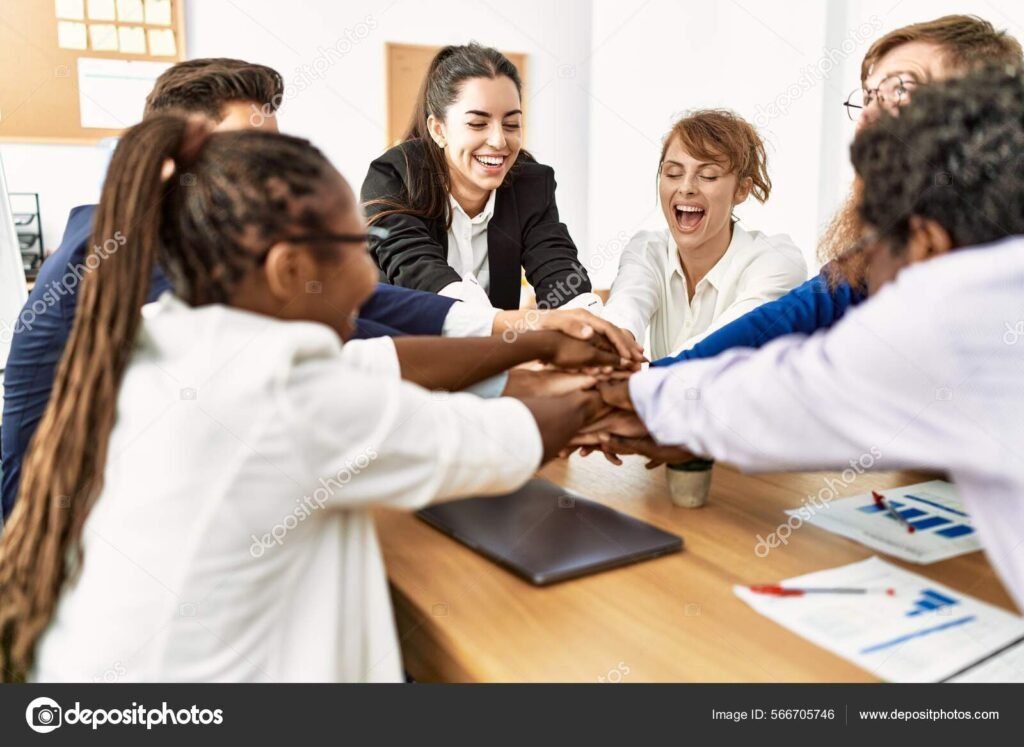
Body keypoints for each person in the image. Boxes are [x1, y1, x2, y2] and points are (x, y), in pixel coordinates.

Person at [0, 115, 627, 682]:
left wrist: (531, 339)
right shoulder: (281, 394)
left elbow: (375, 363)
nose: (371, 274)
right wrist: (619, 394)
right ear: (289, 271)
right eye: (360, 249)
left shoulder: (174, 333)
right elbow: (492, 441)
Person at [0, 57, 642, 521]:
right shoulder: (135, 254)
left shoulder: (182, 233)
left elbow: (362, 308)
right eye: (242, 155)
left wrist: (529, 328)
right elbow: (350, 347)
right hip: (60, 530)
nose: (265, 182)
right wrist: (543, 365)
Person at [586, 65, 1024, 610]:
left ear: (927, 244)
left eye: (874, 247)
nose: (864, 273)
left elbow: (789, 393)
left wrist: (611, 397)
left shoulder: (957, 316)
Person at [649, 15, 1023, 369]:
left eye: (900, 90)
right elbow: (782, 323)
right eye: (869, 96)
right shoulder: (873, 260)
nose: (866, 117)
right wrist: (638, 386)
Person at [362, 43, 601, 312]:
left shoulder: (530, 183)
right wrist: (493, 322)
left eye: (511, 124)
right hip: (401, 344)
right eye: (477, 124)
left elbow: (555, 263)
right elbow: (416, 268)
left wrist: (585, 317)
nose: (499, 141)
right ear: (438, 129)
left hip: (492, 349)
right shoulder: (394, 176)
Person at [601, 109, 805, 359]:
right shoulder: (648, 250)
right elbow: (624, 311)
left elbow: (720, 346)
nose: (685, 187)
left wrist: (636, 374)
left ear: (741, 190)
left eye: (707, 175)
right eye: (673, 173)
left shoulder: (775, 261)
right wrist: (612, 347)